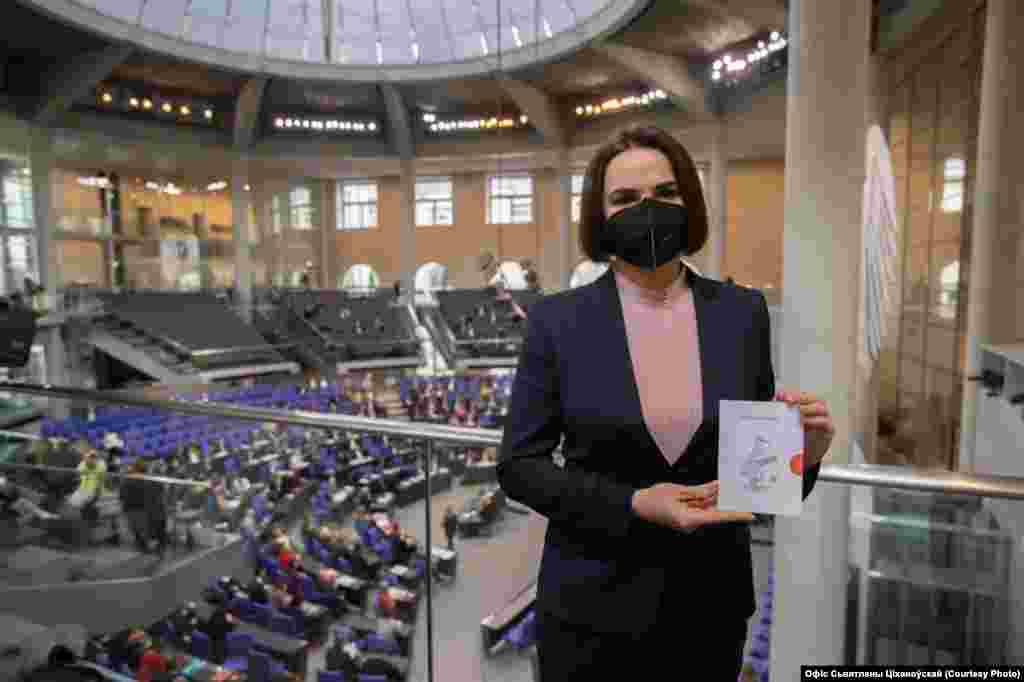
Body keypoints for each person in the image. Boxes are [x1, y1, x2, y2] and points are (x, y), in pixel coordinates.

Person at [497, 125, 835, 681]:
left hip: (708, 611)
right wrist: (634, 503)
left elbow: (757, 487)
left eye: (664, 194)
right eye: (625, 200)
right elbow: (520, 467)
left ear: (690, 203)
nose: (646, 211)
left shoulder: (742, 314)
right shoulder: (557, 322)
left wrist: (808, 455)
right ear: (599, 216)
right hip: (590, 612)